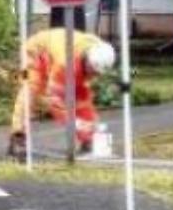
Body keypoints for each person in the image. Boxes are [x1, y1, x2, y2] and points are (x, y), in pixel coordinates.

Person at [8, 28, 117, 161]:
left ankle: (88, 139)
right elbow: (55, 101)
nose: (93, 76)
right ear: (88, 62)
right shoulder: (65, 63)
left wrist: (89, 130)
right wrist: (74, 123)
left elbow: (83, 99)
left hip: (61, 54)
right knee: (30, 88)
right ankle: (18, 137)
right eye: (92, 72)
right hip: (33, 52)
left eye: (97, 74)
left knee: (82, 97)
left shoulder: (100, 50)